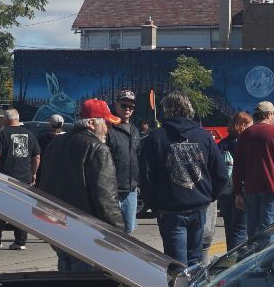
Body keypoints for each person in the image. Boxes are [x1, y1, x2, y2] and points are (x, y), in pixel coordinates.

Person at [137, 91, 228, 268]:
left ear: (168, 111)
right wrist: (207, 197)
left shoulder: (155, 138)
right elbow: (221, 174)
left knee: (176, 265)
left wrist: (155, 205)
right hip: (198, 207)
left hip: (170, 210)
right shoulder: (204, 136)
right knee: (194, 262)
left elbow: (146, 178)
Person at [35, 99, 124, 271]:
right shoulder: (98, 149)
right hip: (87, 233)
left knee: (67, 280)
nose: (108, 129)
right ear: (91, 123)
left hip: (60, 230)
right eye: (105, 123)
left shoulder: (56, 144)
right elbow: (106, 199)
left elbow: (43, 186)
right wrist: (119, 235)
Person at [232, 101, 274, 234]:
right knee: (268, 230)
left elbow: (238, 166)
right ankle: (265, 254)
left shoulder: (245, 135)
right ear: (268, 115)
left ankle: (254, 254)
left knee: (252, 229)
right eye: (273, 115)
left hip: (251, 188)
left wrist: (237, 191)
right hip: (271, 187)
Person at [0, 108, 37, 249]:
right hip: (24, 178)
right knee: (21, 210)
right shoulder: (29, 134)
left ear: (5, 119)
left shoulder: (2, 134)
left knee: (0, 208)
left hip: (6, 178)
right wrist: (33, 173)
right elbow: (37, 156)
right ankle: (20, 241)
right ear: (18, 118)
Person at [108, 90, 142, 233]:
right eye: (124, 105)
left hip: (131, 191)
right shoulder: (108, 128)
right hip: (112, 191)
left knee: (128, 232)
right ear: (116, 105)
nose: (128, 109)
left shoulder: (135, 130)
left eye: (131, 107)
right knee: (110, 232)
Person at [218, 112, 252, 246]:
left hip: (225, 192)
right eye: (250, 125)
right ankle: (238, 264)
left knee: (229, 229)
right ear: (243, 126)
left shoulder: (222, 144)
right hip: (241, 191)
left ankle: (228, 261)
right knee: (240, 230)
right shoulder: (246, 143)